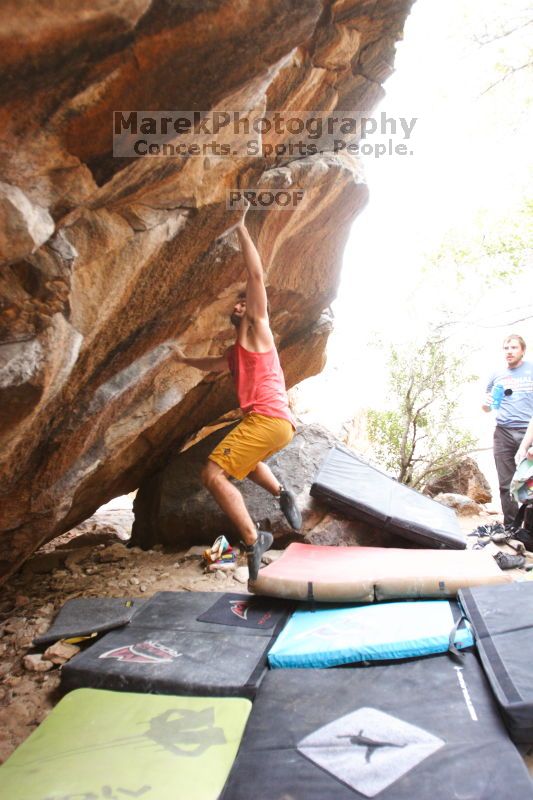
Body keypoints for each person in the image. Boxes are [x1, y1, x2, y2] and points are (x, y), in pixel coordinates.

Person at [170, 215, 301, 580]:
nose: (239, 306)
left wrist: (241, 223)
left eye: (243, 303)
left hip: (268, 419)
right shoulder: (236, 353)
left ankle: (253, 537)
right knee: (244, 460)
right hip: (272, 424)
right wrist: (182, 358)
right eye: (238, 304)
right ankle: (282, 492)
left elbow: (256, 276)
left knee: (212, 475)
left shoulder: (259, 330)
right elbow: (213, 365)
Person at [482, 334, 533, 524]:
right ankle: (511, 527)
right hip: (503, 432)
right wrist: (485, 404)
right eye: (506, 348)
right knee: (506, 484)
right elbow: (487, 407)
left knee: (530, 484)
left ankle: (529, 529)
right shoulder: (497, 373)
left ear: (523, 351)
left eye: (513, 348)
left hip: (528, 432)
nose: (509, 351)